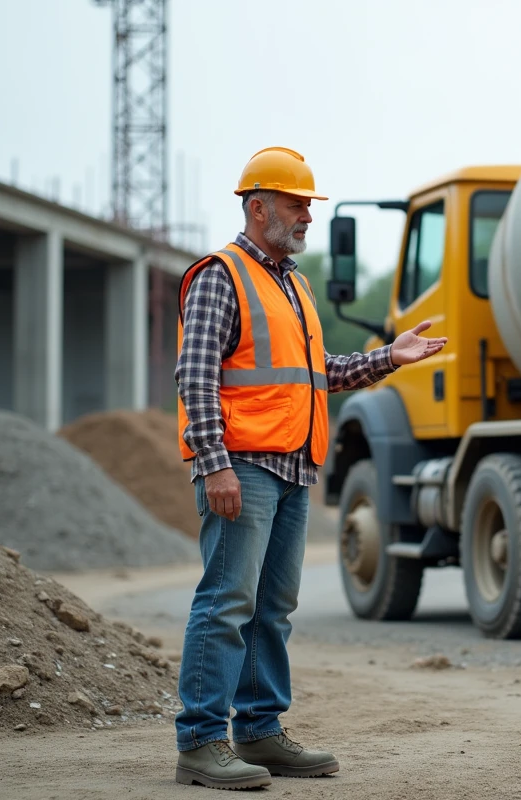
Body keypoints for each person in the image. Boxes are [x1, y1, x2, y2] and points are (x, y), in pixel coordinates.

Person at [172, 146, 446, 790]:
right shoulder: (221, 276)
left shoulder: (292, 284)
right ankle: (201, 743)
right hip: (242, 465)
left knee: (272, 607)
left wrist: (388, 357)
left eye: (308, 206)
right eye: (297, 204)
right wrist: (214, 465)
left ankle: (259, 730)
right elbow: (195, 375)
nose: (307, 216)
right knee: (226, 602)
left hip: (293, 468)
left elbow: (315, 373)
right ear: (257, 206)